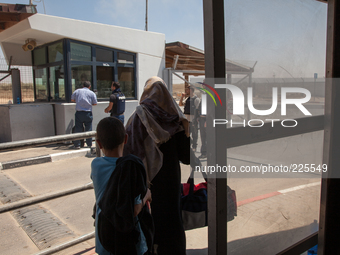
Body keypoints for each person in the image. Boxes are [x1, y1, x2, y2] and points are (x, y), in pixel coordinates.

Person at [124, 76, 191, 255]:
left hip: (147, 182)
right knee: (173, 221)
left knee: (152, 221)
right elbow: (187, 157)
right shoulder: (176, 118)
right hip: (171, 180)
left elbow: (127, 149)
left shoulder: (138, 116)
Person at [91, 117, 153, 255]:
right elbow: (135, 210)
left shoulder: (95, 165)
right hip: (125, 238)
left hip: (104, 234)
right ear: (126, 139)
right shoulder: (131, 167)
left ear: (99, 144)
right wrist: (147, 195)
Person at [71, 81, 97, 149]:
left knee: (78, 129)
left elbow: (72, 99)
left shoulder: (77, 91)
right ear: (90, 86)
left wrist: (79, 102)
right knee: (88, 129)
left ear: (83, 85)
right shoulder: (92, 93)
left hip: (79, 113)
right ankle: (89, 145)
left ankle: (77, 145)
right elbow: (95, 103)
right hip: (88, 113)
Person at [179, 85, 200, 151]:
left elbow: (198, 110)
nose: (186, 91)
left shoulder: (196, 99)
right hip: (187, 119)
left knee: (194, 134)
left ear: (190, 90)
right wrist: (182, 97)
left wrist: (197, 119)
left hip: (193, 119)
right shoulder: (187, 98)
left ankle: (194, 147)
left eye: (187, 90)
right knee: (186, 133)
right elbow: (180, 104)